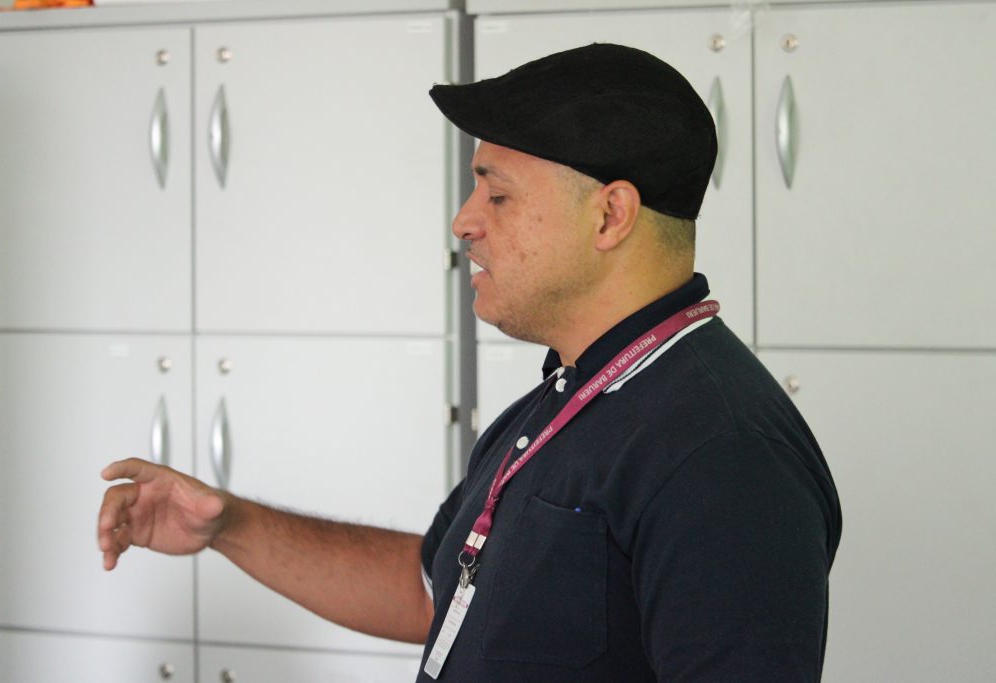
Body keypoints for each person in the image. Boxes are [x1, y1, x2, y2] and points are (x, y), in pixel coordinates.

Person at [98, 43, 841, 682]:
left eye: (499, 193)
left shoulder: (724, 454)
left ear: (610, 215)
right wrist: (226, 524)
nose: (464, 220)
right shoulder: (567, 395)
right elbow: (431, 590)